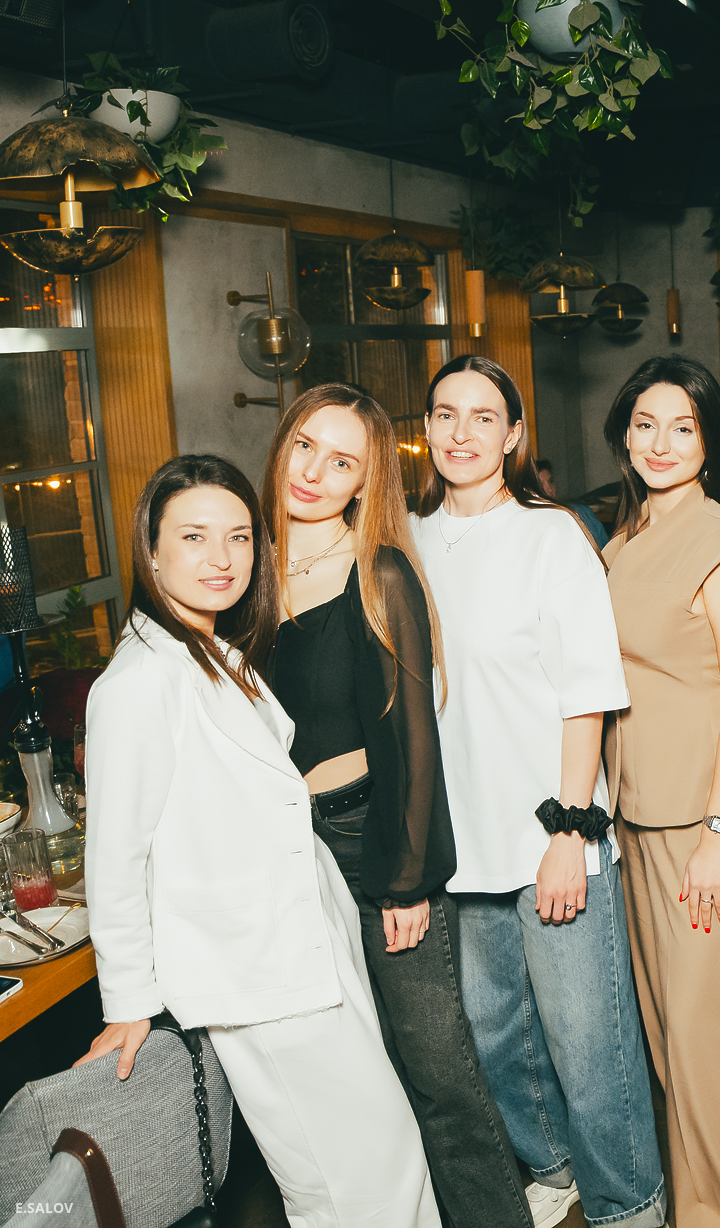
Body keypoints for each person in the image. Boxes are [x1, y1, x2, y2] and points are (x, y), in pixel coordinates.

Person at [82, 454, 440, 1228]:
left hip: (305, 946)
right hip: (256, 972)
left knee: (379, 1163)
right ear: (151, 552)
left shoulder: (216, 652)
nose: (222, 558)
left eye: (239, 537)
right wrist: (130, 1003)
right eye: (194, 537)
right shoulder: (138, 682)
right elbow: (115, 857)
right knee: (354, 1181)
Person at [263, 385, 533, 1228]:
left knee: (437, 1074)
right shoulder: (244, 572)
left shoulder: (377, 572)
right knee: (354, 1079)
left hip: (369, 843)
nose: (314, 471)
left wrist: (407, 882)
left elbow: (416, 741)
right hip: (285, 857)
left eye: (341, 461)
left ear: (365, 481)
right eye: (305, 446)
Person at [411, 355, 664, 1228]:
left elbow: (586, 693)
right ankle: (553, 1164)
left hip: (551, 833)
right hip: (460, 845)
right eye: (447, 414)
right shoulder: (406, 541)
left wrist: (570, 832)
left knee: (592, 1052)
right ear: (426, 428)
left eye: (484, 417)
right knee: (494, 1039)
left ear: (514, 434)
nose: (463, 433)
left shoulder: (550, 535)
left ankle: (631, 1207)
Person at [599, 357, 720, 1228]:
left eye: (683, 427)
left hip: (710, 818)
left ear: (712, 440)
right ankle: (695, 1209)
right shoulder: (623, 538)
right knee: (672, 1034)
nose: (661, 444)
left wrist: (718, 833)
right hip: (637, 811)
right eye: (645, 425)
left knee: (712, 1038)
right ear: (624, 434)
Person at [536, 457, 610, 548]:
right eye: (541, 485)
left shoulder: (581, 512)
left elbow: (605, 549)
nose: (550, 489)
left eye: (550, 482)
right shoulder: (534, 525)